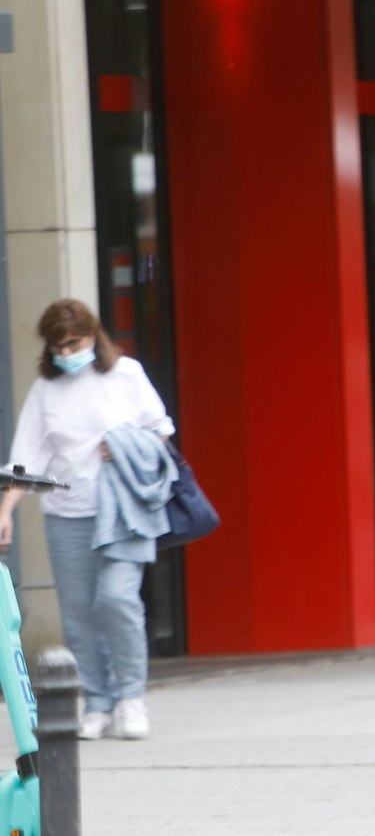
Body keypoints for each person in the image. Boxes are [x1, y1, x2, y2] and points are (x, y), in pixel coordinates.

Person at [0, 300, 174, 741]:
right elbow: (27, 459)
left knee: (117, 599)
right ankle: (98, 702)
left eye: (74, 343)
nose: (66, 352)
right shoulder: (46, 389)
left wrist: (127, 445)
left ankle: (130, 697)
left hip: (125, 510)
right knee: (78, 613)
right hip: (68, 514)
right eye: (58, 346)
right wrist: (6, 511)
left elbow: (160, 430)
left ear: (94, 336)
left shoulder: (126, 374)